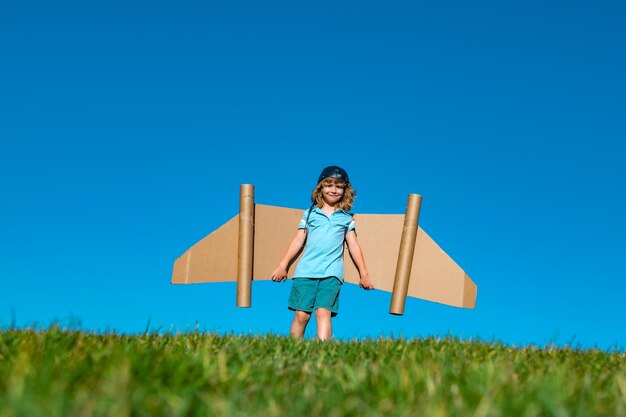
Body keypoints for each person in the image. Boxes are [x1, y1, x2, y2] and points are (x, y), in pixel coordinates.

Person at [271, 166, 374, 341]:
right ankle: (292, 349)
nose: (333, 190)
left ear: (345, 190)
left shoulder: (346, 218)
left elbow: (354, 246)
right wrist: (283, 265)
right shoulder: (310, 214)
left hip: (332, 273)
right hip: (306, 271)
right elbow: (298, 241)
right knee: (301, 315)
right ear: (321, 188)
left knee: (323, 312)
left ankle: (322, 351)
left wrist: (364, 274)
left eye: (339, 186)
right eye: (329, 185)